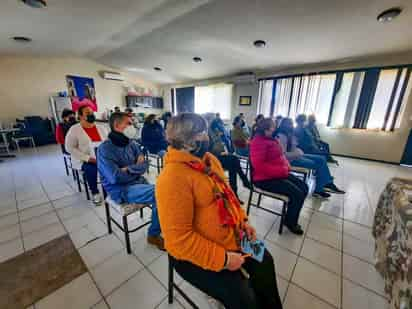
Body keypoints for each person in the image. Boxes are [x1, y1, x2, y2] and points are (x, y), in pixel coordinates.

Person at [156, 113, 283, 309]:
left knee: (265, 261)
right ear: (187, 141)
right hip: (194, 255)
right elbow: (178, 240)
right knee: (243, 297)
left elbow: (228, 196)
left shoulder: (209, 160)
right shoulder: (172, 178)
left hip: (233, 235)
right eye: (202, 133)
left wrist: (244, 221)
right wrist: (223, 259)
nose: (207, 137)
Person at [97, 112, 164, 250]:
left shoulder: (131, 143)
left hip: (138, 182)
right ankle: (153, 234)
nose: (133, 126)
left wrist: (128, 169)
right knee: (161, 194)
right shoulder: (105, 149)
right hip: (121, 190)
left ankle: (156, 230)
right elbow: (114, 178)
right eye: (129, 123)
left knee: (163, 194)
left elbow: (145, 165)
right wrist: (136, 168)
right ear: (117, 125)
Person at [250, 118, 308, 235]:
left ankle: (290, 215)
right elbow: (259, 166)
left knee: (304, 187)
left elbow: (281, 156)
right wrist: (282, 171)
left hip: (277, 173)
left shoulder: (271, 139)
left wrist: (286, 165)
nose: (275, 128)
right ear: (265, 129)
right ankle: (290, 222)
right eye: (272, 126)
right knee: (297, 194)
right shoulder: (258, 142)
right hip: (263, 179)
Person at [276, 118, 345, 198]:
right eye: (290, 124)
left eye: (292, 123)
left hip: (296, 154)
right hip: (290, 160)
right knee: (316, 164)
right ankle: (319, 189)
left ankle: (327, 183)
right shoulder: (281, 136)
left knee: (321, 158)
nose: (292, 125)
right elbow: (283, 155)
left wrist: (297, 149)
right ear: (284, 125)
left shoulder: (290, 134)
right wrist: (297, 152)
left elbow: (294, 146)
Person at [65, 105, 107, 204]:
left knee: (111, 165)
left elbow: (107, 143)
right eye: (88, 113)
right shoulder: (74, 130)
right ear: (80, 116)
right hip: (84, 159)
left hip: (101, 156)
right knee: (91, 168)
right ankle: (95, 192)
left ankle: (108, 190)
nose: (91, 114)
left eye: (92, 112)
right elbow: (69, 148)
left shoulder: (101, 128)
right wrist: (88, 158)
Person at [209, 123, 251, 202]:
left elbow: (219, 146)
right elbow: (207, 151)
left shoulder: (214, 133)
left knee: (233, 163)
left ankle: (236, 192)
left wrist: (223, 151)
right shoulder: (207, 135)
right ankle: (243, 182)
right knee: (234, 160)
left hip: (218, 156)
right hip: (211, 159)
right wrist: (219, 152)